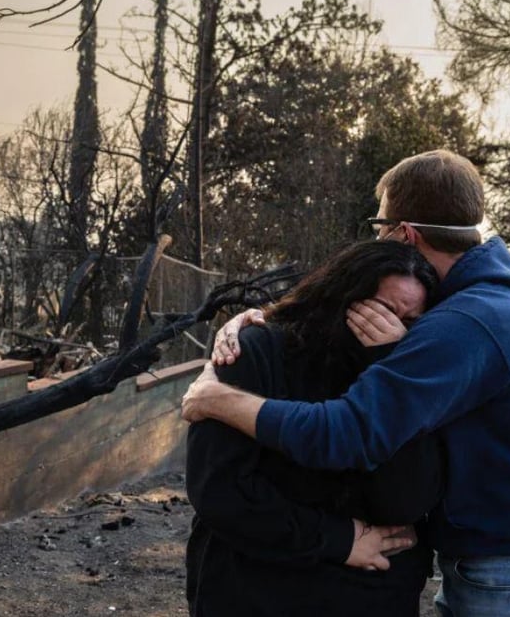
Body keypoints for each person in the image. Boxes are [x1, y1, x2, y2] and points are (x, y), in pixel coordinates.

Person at [183, 150, 510, 617]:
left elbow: (350, 432)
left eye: (380, 228)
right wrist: (261, 321)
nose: (377, 242)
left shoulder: (467, 322)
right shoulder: (486, 306)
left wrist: (218, 400)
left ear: (405, 234)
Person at [186, 241, 444, 617]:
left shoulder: (410, 374)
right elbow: (219, 490)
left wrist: (390, 369)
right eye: (382, 312)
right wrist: (339, 540)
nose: (390, 329)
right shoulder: (254, 351)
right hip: (255, 591)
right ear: (342, 297)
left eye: (409, 322)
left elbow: (407, 499)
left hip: (367, 595)